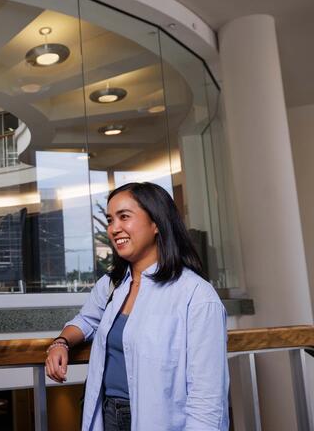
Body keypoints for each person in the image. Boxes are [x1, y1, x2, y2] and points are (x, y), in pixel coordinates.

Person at [45, 182, 229, 430]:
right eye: (110, 220)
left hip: (159, 419)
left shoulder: (197, 296)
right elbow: (86, 320)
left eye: (124, 217)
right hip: (109, 413)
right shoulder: (112, 285)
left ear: (156, 223)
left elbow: (207, 398)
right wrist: (61, 343)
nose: (113, 228)